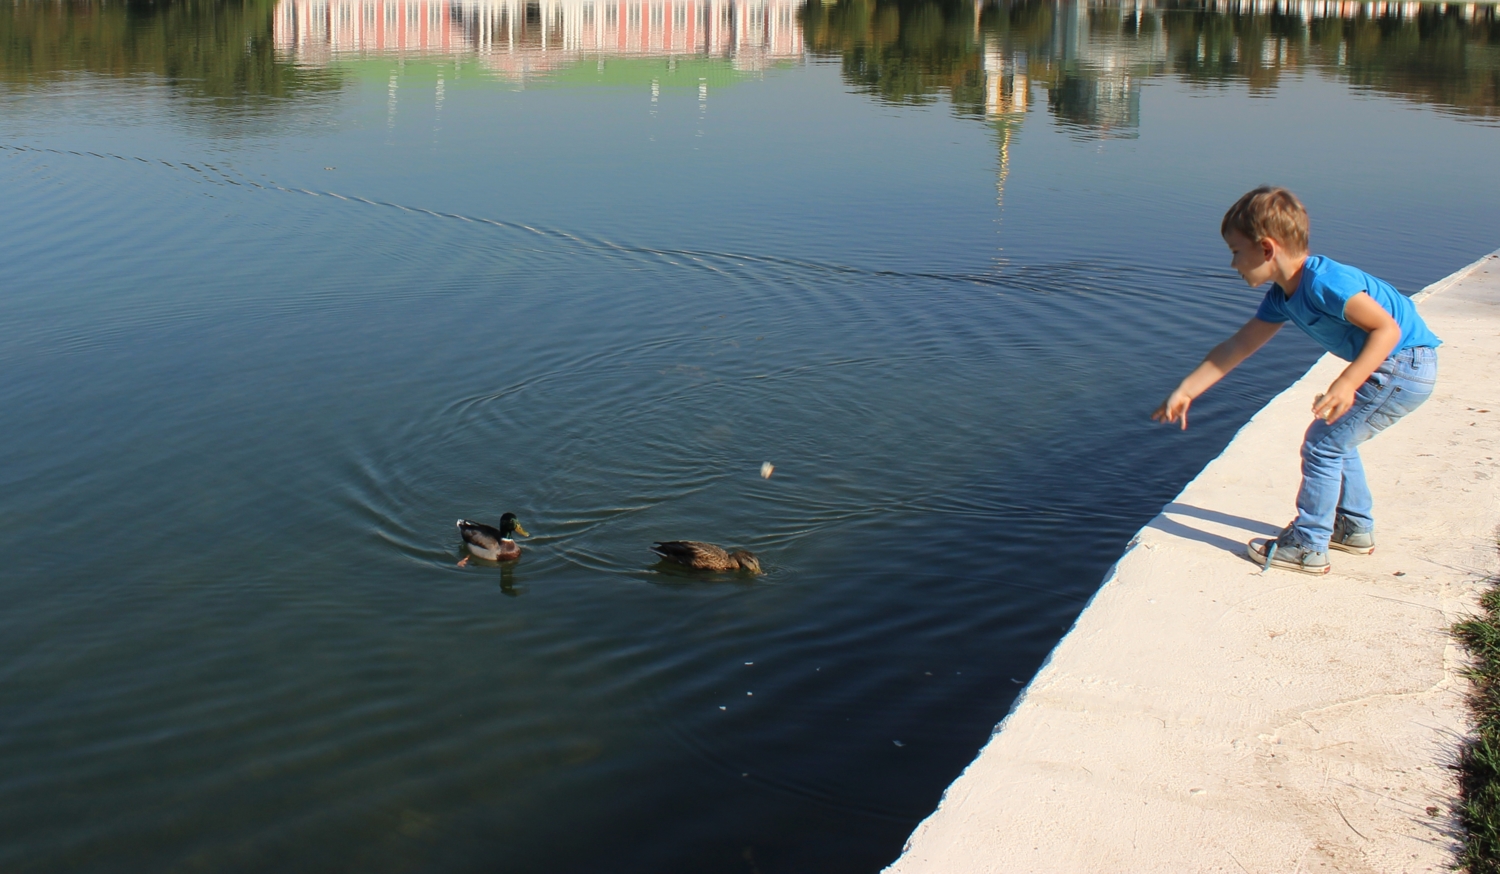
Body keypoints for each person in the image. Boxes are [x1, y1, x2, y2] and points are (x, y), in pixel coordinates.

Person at [1152, 186, 1441, 574]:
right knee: (1337, 437)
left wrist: (1347, 382)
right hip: (1396, 368)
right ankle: (1352, 528)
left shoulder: (1324, 283)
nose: (1233, 264)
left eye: (1237, 252)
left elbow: (1386, 330)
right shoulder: (1282, 297)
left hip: (1403, 365)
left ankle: (1308, 545)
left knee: (1321, 446)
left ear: (1267, 249)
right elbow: (1238, 345)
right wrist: (1187, 388)